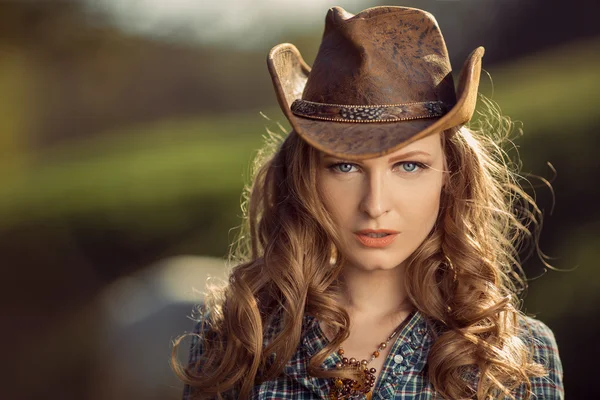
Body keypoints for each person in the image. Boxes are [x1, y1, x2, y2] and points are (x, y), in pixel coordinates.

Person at [171, 5, 563, 400]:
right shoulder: (237, 341)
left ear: (451, 177)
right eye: (345, 167)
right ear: (306, 177)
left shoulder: (516, 354)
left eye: (409, 165)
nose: (375, 205)